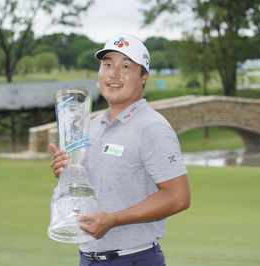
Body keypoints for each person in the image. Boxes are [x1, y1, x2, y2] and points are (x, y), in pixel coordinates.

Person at [49, 34, 191, 266]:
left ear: (144, 76)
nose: (114, 74)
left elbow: (178, 197)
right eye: (107, 65)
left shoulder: (152, 127)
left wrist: (113, 219)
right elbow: (94, 183)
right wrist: (65, 171)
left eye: (125, 66)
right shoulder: (92, 126)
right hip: (88, 258)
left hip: (133, 258)